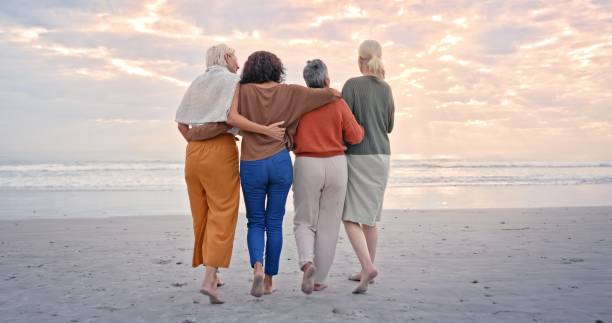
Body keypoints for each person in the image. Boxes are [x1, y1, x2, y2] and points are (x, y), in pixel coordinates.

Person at [175, 44, 285, 304]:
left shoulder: (197, 82)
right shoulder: (232, 81)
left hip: (192, 153)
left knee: (201, 213)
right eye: (235, 56)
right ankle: (209, 278)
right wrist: (265, 131)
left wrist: (195, 139)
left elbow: (182, 124)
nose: (238, 61)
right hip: (219, 153)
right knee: (222, 211)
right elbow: (232, 118)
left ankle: (211, 273)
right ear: (226, 58)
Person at [231, 51, 341, 297]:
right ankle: (269, 281)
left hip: (252, 164)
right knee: (274, 223)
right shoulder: (290, 91)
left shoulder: (242, 89)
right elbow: (331, 94)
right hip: (280, 163)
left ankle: (257, 269)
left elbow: (230, 117)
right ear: (276, 69)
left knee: (256, 222)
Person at [292, 59, 364, 294]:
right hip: (336, 164)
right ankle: (319, 278)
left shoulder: (297, 104)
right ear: (327, 80)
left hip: (307, 163)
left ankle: (307, 263)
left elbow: (288, 136)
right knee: (329, 225)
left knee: (304, 220)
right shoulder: (337, 102)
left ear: (306, 81)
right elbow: (355, 136)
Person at [341, 40, 395, 294]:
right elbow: (389, 126)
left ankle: (366, 266)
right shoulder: (386, 89)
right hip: (382, 156)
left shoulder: (351, 85)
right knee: (370, 219)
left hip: (358, 156)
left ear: (359, 60)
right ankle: (366, 269)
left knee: (350, 216)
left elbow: (344, 124)